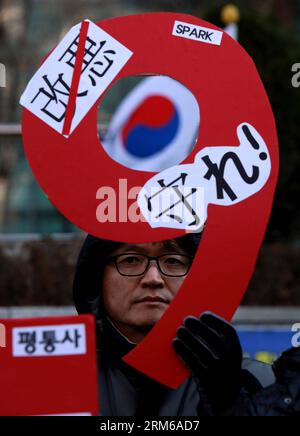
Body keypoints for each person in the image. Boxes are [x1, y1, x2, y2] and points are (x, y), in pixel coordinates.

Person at [73, 233, 299, 416]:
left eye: (173, 261)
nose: (153, 278)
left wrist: (233, 408)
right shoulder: (58, 384)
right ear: (96, 278)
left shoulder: (259, 384)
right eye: (130, 260)